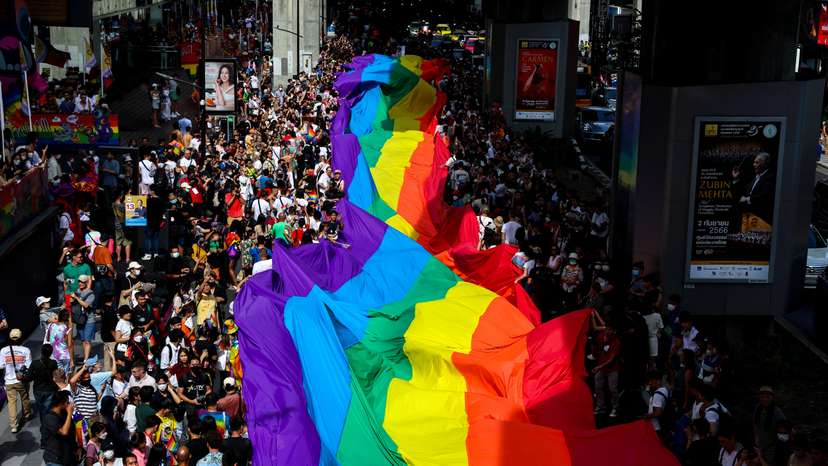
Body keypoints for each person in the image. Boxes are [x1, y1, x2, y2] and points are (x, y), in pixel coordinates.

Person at [1, 328, 33, 433]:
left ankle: (13, 425)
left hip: (9, 381)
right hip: (21, 380)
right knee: (25, 398)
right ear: (20, 338)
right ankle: (27, 414)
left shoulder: (3, 350)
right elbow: (29, 366)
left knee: (11, 403)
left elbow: (1, 366)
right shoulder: (26, 350)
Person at [592, 322, 621, 418]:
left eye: (610, 330)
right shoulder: (601, 337)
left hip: (612, 369)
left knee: (613, 389)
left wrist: (599, 367)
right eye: (607, 329)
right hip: (601, 368)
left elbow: (611, 359)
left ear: (614, 331)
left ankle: (615, 408)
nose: (607, 331)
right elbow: (595, 346)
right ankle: (601, 406)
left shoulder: (616, 342)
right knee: (598, 387)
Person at [43, 390, 78, 466]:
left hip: (67, 456)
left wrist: (76, 448)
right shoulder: (50, 417)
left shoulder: (64, 414)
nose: (69, 405)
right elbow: (64, 432)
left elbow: (72, 431)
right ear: (61, 403)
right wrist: (69, 414)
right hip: (55, 459)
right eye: (67, 402)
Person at [753, 386, 786, 465]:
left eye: (767, 397)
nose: (765, 399)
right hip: (760, 447)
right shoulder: (758, 409)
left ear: (772, 398)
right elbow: (755, 424)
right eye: (762, 397)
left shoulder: (777, 412)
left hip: (772, 450)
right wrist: (756, 436)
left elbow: (786, 429)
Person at [71, 274, 97, 362]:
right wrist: (72, 299)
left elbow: (86, 305)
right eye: (79, 281)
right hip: (80, 319)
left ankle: (86, 360)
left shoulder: (90, 293)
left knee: (87, 340)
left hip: (89, 320)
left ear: (86, 282)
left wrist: (76, 298)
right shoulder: (77, 291)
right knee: (83, 340)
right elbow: (73, 302)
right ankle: (88, 355)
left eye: (82, 282)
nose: (80, 283)